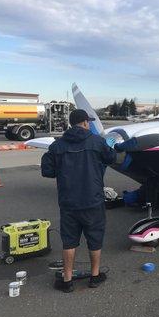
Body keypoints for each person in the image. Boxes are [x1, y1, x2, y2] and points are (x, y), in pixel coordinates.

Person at [41, 109, 117, 292]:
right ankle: (95, 276)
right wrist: (110, 147)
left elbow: (47, 171)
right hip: (93, 201)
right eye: (88, 122)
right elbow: (112, 158)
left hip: (68, 202)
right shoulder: (97, 141)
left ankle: (67, 281)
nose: (89, 124)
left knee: (69, 242)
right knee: (95, 239)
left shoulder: (57, 145)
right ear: (84, 123)